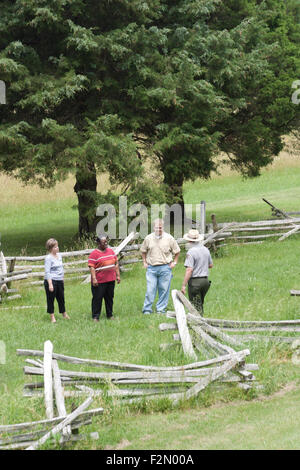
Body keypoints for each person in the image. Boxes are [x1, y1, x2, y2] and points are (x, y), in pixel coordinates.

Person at [140, 219, 180, 314]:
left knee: (164, 290)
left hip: (165, 268)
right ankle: (147, 310)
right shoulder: (148, 238)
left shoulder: (169, 238)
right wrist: (144, 262)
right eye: (157, 227)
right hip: (151, 268)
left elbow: (177, 251)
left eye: (160, 227)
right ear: (154, 227)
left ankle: (161, 310)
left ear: (163, 227)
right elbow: (143, 251)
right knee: (150, 290)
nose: (159, 229)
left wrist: (174, 262)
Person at [88, 235, 120, 322]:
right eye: (103, 242)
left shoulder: (111, 251)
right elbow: (92, 267)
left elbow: (116, 263)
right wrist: (94, 278)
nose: (106, 243)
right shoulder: (94, 254)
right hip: (99, 281)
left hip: (110, 279)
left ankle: (110, 315)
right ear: (98, 243)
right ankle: (95, 316)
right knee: (97, 299)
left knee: (109, 298)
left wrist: (117, 275)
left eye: (106, 242)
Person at [181, 229, 213, 315]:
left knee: (195, 305)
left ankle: (199, 322)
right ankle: (201, 319)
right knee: (200, 303)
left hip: (195, 282)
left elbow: (189, 269)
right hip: (205, 281)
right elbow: (210, 265)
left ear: (189, 240)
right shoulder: (206, 249)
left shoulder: (191, 252)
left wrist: (183, 285)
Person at [44, 238, 70, 323]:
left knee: (61, 298)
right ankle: (52, 316)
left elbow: (61, 268)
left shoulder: (59, 256)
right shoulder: (48, 258)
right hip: (51, 280)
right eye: (55, 247)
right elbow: (47, 271)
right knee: (51, 299)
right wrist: (50, 284)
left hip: (59, 280)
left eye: (57, 246)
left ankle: (64, 313)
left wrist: (62, 278)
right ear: (50, 248)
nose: (57, 248)